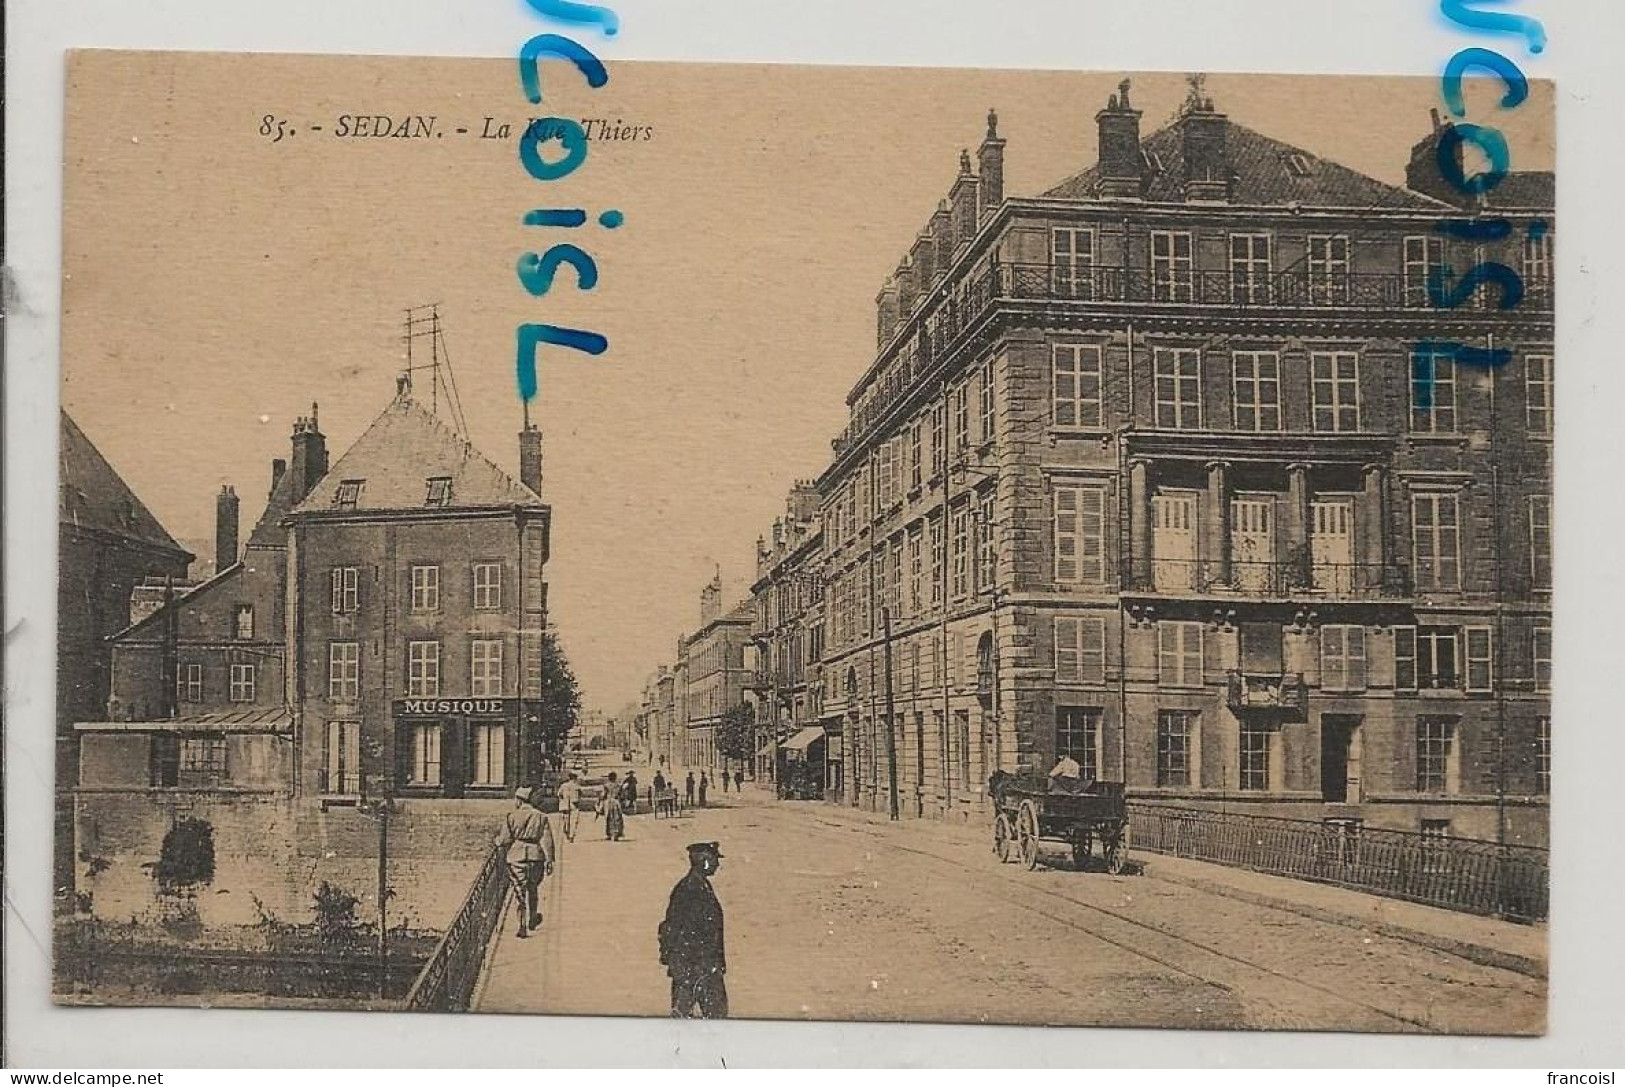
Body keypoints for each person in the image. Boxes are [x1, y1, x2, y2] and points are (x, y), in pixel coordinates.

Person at [658, 841, 728, 1019]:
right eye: (714, 860)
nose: (717, 865)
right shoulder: (689, 889)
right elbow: (674, 928)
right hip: (695, 969)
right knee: (697, 1022)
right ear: (704, 861)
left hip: (701, 967)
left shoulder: (699, 885)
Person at [495, 786, 555, 939]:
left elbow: (505, 839)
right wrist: (550, 860)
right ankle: (533, 917)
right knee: (533, 888)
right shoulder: (541, 816)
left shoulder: (511, 816)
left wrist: (497, 841)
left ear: (519, 800)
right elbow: (547, 840)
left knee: (519, 892)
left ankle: (521, 925)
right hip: (536, 856)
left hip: (516, 856)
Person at [599, 772, 625, 841]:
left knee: (608, 818)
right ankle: (616, 834)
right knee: (617, 818)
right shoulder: (618, 786)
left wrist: (600, 801)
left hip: (608, 802)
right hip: (616, 802)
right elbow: (622, 795)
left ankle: (609, 834)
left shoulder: (606, 785)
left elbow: (603, 795)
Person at [556, 772, 582, 842]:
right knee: (574, 821)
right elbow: (580, 795)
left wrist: (563, 800)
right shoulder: (577, 786)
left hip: (565, 805)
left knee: (565, 821)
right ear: (574, 778)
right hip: (574, 805)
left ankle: (567, 833)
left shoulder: (563, 785)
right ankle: (571, 835)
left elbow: (559, 794)